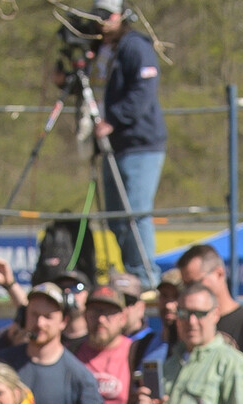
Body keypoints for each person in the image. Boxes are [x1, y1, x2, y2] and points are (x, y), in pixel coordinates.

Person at [90, 0, 165, 277]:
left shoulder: (135, 46)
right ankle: (130, 273)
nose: (102, 22)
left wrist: (114, 119)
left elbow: (143, 92)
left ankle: (145, 277)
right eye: (97, 16)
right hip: (112, 147)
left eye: (107, 15)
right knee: (116, 218)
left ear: (121, 15)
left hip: (140, 144)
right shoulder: (97, 49)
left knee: (135, 214)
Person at [173, 245, 243, 392]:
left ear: (219, 274)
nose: (191, 290)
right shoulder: (185, 322)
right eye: (185, 285)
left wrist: (227, 367)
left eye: (195, 283)